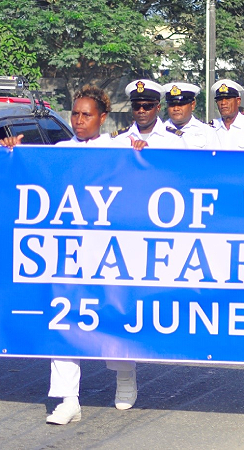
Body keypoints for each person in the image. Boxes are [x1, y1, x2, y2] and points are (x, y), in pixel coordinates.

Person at [1, 86, 139, 424]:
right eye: (75, 114)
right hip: (69, 252)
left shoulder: (118, 148)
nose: (78, 121)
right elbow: (34, 176)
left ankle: (124, 376)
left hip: (109, 252)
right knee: (63, 318)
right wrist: (15, 153)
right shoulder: (60, 150)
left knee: (111, 318)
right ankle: (68, 399)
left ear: (102, 118)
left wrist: (141, 154)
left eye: (86, 115)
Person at [111, 79, 187, 150]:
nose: (141, 110)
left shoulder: (174, 139)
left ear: (158, 108)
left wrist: (149, 153)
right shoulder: (118, 139)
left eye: (147, 106)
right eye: (136, 106)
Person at [209, 79, 244, 150]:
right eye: (220, 99)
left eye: (228, 98)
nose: (223, 103)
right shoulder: (209, 129)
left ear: (238, 101)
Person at [162, 82, 220, 149]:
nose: (176, 109)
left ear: (192, 105)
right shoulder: (159, 131)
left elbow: (215, 158)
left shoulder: (207, 132)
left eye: (181, 104)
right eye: (171, 105)